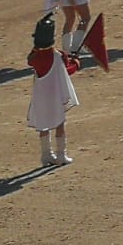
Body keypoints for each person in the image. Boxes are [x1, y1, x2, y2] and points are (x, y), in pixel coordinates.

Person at [27, 12, 80, 167]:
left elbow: (31, 60)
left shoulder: (34, 57)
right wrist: (76, 63)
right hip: (55, 96)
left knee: (43, 125)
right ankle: (61, 155)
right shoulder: (58, 55)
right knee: (60, 124)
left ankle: (46, 155)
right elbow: (66, 71)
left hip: (40, 96)